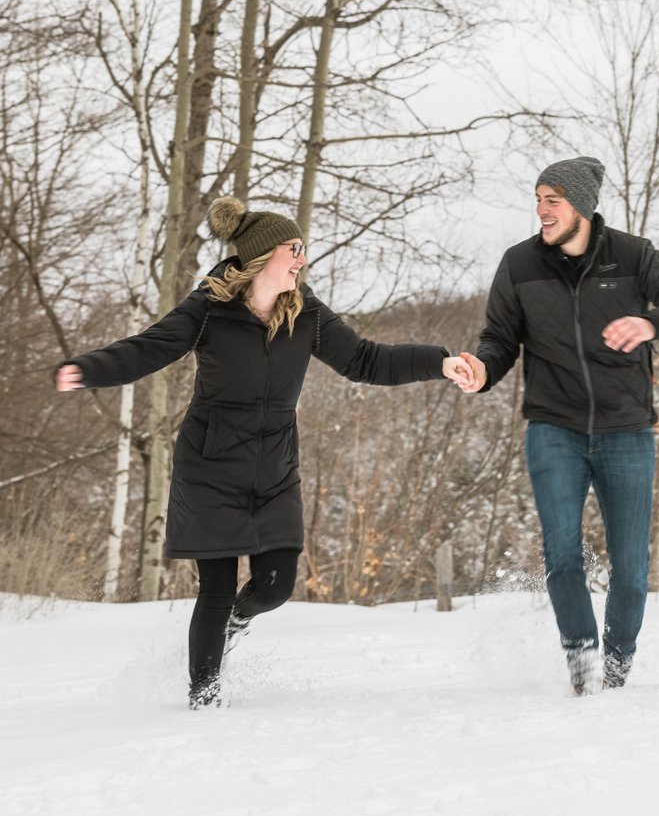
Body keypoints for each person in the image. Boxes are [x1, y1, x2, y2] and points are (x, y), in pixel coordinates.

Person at [55, 196, 473, 709]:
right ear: (261, 256)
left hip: (274, 468)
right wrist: (88, 370)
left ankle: (236, 621)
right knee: (215, 586)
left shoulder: (307, 313)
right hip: (209, 465)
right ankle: (203, 702)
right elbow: (150, 347)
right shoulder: (208, 308)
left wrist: (442, 363)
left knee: (275, 585)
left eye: (302, 249)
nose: (301, 257)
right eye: (293, 249)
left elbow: (365, 359)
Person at [458, 156, 659, 695]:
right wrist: (484, 370)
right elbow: (500, 340)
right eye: (538, 198)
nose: (542, 209)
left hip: (627, 430)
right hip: (554, 427)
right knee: (562, 552)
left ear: (581, 205)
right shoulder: (519, 264)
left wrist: (651, 322)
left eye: (553, 199)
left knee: (631, 568)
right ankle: (581, 661)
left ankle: (617, 666)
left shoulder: (632, 254)